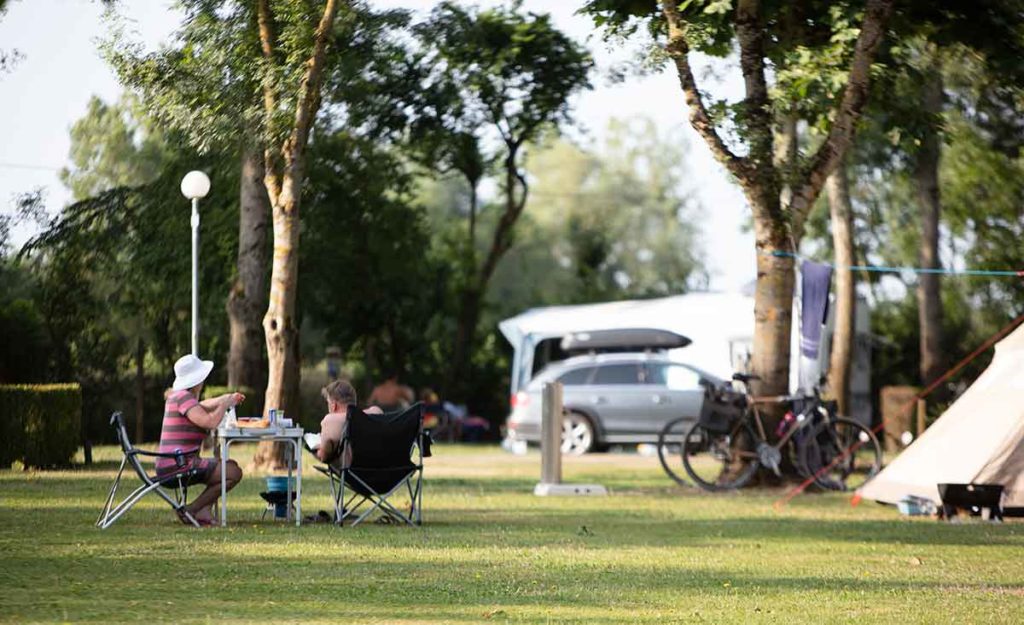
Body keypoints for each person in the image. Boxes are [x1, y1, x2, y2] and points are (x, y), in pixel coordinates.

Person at [156, 354, 245, 527]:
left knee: (230, 466)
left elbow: (203, 405)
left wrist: (227, 398)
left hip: (173, 463)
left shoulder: (179, 397)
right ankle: (192, 509)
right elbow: (210, 422)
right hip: (178, 465)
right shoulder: (183, 398)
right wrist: (224, 405)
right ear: (197, 380)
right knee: (233, 473)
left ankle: (203, 510)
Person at [312, 379, 382, 467]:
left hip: (354, 473)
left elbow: (323, 456)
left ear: (334, 406)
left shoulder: (331, 420)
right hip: (383, 470)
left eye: (328, 403)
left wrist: (319, 447)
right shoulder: (375, 412)